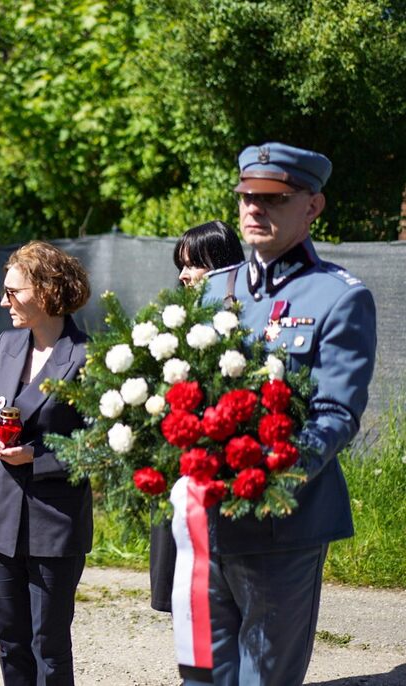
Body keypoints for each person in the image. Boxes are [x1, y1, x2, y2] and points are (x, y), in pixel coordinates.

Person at [193, 142, 377, 685]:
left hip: (282, 525)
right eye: (247, 196)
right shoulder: (212, 291)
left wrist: (267, 478)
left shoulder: (338, 298)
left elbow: (335, 414)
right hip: (207, 525)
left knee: (264, 678)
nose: (254, 209)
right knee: (201, 674)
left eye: (273, 199)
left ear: (312, 207)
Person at [0, 240, 94, 686]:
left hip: (53, 524)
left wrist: (36, 458)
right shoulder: (6, 343)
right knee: (11, 642)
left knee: (49, 646)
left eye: (13, 292)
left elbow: (98, 442)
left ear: (45, 292)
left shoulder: (85, 356)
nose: (3, 301)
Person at [150, 220, 246, 613]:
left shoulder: (243, 322)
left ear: (224, 265)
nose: (184, 274)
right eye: (182, 264)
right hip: (181, 466)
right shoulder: (175, 323)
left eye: (194, 264)